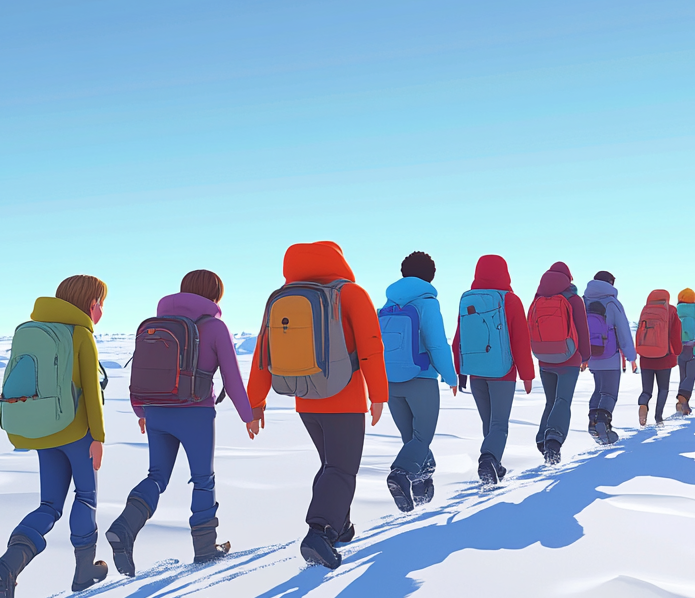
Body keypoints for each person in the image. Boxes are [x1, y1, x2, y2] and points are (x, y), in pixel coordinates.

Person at [247, 241, 388, 570]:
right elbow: (370, 347)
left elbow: (261, 355)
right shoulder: (351, 294)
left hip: (305, 399)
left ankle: (341, 526)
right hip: (345, 399)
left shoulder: (280, 299)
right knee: (342, 468)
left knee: (331, 465)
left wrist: (255, 403)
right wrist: (378, 393)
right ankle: (319, 533)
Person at [105, 270, 254, 575]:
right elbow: (232, 378)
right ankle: (204, 547)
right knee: (202, 478)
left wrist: (141, 411)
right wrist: (248, 416)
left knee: (157, 475)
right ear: (214, 295)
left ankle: (124, 527)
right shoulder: (214, 327)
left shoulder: (156, 324)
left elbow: (142, 371)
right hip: (195, 411)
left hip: (156, 410)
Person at [0, 275, 109, 598]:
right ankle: (84, 571)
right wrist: (97, 437)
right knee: (85, 496)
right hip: (76, 432)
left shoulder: (34, 331)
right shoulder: (80, 334)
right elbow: (92, 394)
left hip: (43, 429)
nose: (101, 311)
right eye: (100, 303)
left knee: (49, 506)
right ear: (88, 304)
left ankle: (7, 567)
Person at [381, 251, 458, 511]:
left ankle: (421, 485)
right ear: (430, 276)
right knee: (422, 437)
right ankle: (400, 475)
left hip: (391, 382)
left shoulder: (388, 305)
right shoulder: (427, 302)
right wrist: (450, 376)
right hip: (420, 378)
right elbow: (437, 344)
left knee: (410, 440)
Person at [452, 255, 534, 485]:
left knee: (488, 422)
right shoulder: (511, 300)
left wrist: (461, 370)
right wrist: (527, 374)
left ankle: (494, 464)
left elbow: (459, 339)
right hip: (503, 372)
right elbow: (520, 341)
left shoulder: (467, 299)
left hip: (476, 371)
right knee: (499, 423)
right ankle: (488, 460)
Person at [529, 261, 590, 463]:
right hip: (569, 358)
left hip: (544, 358)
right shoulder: (573, 299)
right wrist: (586, 356)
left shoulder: (538, 298)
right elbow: (582, 329)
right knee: (563, 401)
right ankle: (553, 441)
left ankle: (542, 439)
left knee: (551, 401)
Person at [582, 271, 636, 443]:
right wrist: (631, 355)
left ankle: (593, 422)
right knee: (609, 393)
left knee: (598, 390)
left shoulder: (584, 301)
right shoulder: (612, 302)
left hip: (591, 355)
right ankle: (603, 425)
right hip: (609, 355)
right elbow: (623, 330)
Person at [635, 289, 682, 425]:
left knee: (647, 390)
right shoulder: (671, 310)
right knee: (663, 388)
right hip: (664, 357)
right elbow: (675, 333)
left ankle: (643, 404)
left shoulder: (646, 310)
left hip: (645, 357)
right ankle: (658, 416)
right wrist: (677, 352)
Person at [674, 288, 695, 415]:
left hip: (679, 348)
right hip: (694, 348)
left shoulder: (676, 311)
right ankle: (683, 398)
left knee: (683, 375)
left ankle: (682, 403)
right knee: (690, 376)